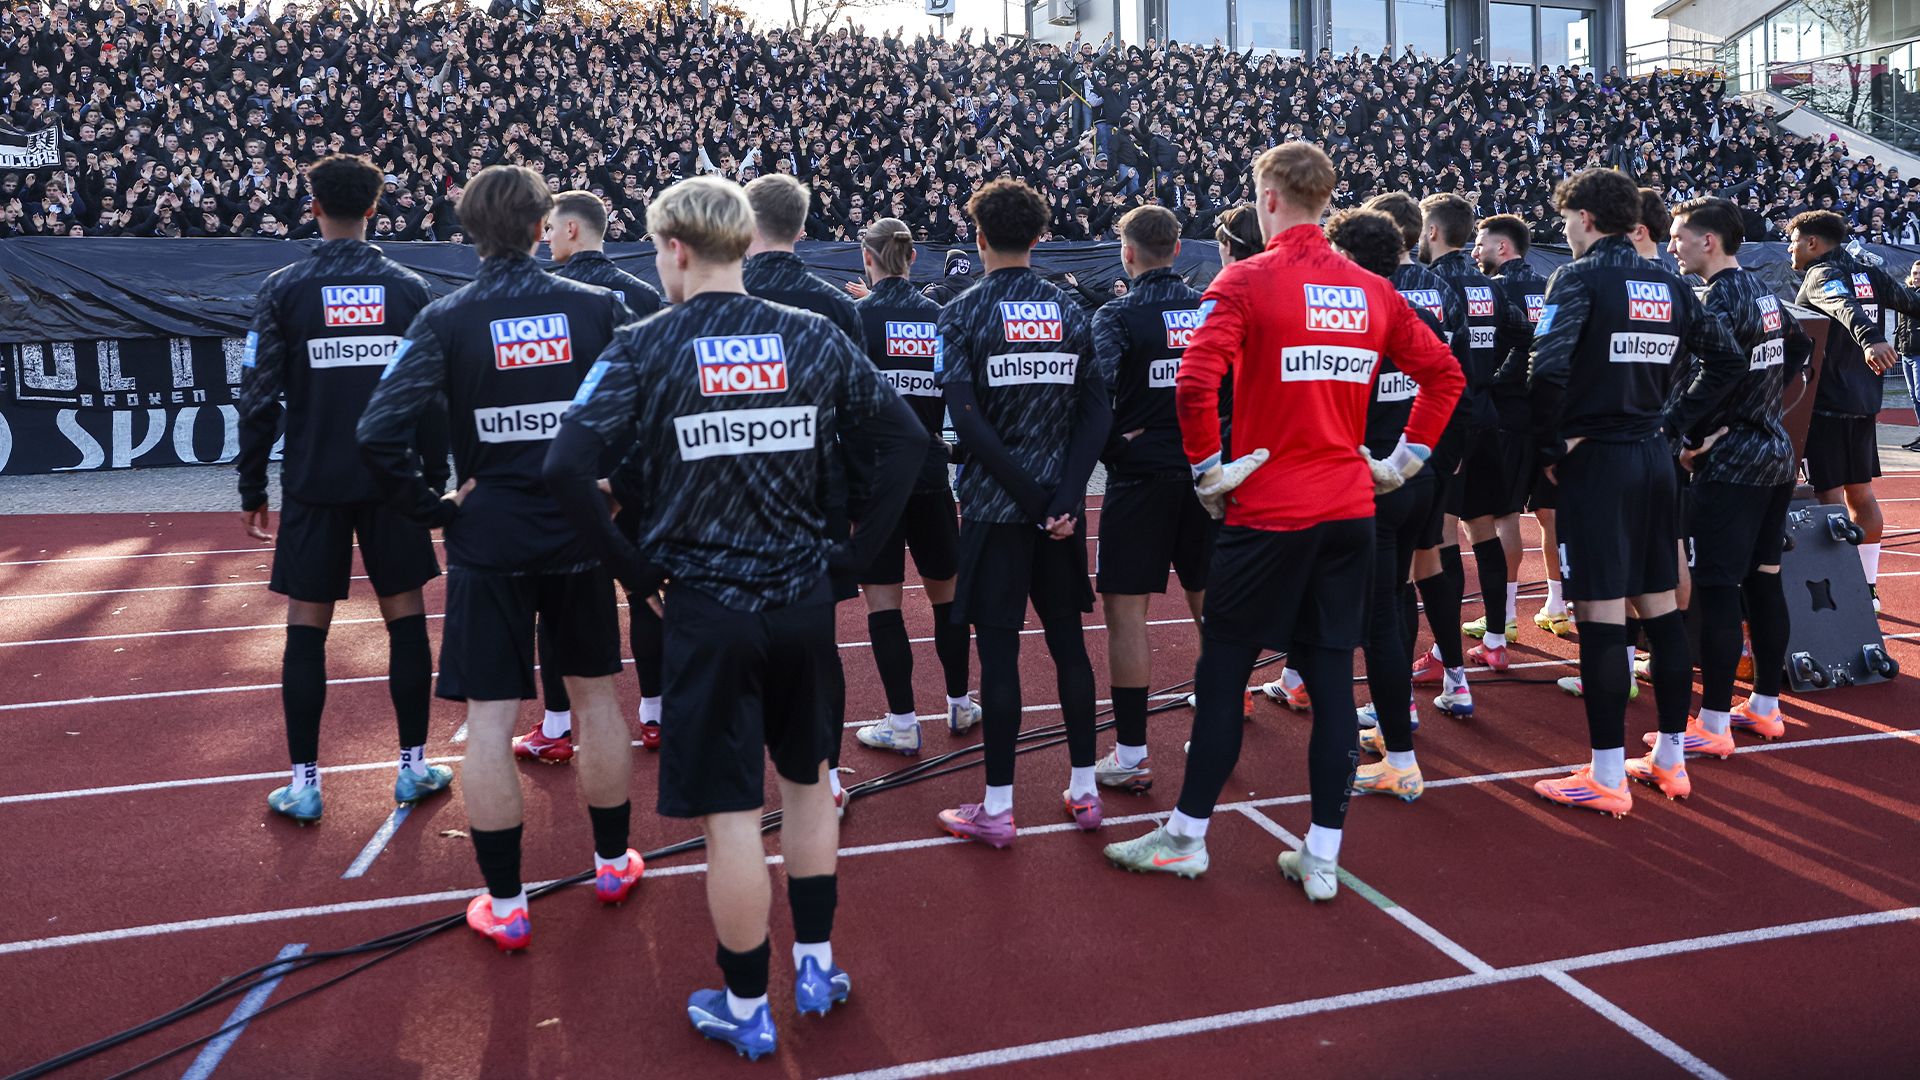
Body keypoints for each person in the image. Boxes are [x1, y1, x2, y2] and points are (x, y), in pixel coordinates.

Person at [543, 175, 924, 1060]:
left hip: (706, 610)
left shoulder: (644, 346)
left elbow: (566, 467)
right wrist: (858, 557)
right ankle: (819, 966)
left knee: (729, 819)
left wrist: (634, 574)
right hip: (800, 602)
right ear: (744, 244)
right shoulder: (816, 336)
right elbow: (904, 438)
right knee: (807, 785)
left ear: (675, 249)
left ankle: (748, 1005)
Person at [1103, 142, 1462, 898]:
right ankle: (1322, 855)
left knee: (1226, 665)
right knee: (1333, 676)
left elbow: (1196, 380)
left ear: (1268, 197)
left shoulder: (1247, 278)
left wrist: (1207, 469)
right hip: (1349, 509)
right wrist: (1401, 462)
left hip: (1270, 510)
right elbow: (1443, 374)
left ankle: (1188, 837)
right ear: (1326, 199)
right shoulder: (1372, 289)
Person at [356, 165, 640, 951]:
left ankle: (508, 906)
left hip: (490, 536)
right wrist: (618, 488)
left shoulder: (448, 318)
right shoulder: (598, 306)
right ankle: (613, 864)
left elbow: (378, 430)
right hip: (578, 530)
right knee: (597, 700)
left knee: (489, 717)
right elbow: (644, 408)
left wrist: (436, 509)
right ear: (542, 223)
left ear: (468, 229)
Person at [235, 152, 449, 824]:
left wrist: (250, 487)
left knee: (307, 626)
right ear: (375, 209)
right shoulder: (412, 289)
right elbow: (434, 400)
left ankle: (304, 783)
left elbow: (258, 397)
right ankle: (413, 767)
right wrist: (432, 486)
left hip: (314, 481)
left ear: (314, 207)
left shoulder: (283, 289)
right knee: (406, 619)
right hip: (393, 482)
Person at [1526, 168, 1744, 818]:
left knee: (1599, 615)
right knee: (1660, 609)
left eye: (1566, 221)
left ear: (1587, 219)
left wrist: (1548, 452)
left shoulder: (1580, 277)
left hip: (1601, 461)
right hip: (1655, 458)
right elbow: (1728, 360)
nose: (1564, 233)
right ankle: (1671, 762)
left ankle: (1605, 776)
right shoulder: (1673, 283)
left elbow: (1546, 371)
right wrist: (1675, 425)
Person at [933, 178, 1112, 847]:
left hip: (993, 509)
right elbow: (1096, 411)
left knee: (1000, 654)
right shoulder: (1070, 311)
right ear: (1039, 238)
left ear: (978, 237)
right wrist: (1063, 499)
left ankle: (999, 808)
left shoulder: (961, 312)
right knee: (1069, 646)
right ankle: (1086, 790)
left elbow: (967, 421)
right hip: (1059, 511)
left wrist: (1032, 500)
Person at [1653, 196, 1812, 780]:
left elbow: (1713, 371)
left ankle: (1714, 724)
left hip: (1734, 463)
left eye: (1679, 237)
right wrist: (1768, 402)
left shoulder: (1719, 298)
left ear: (1709, 242)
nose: (1673, 247)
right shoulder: (1766, 292)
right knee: (1765, 580)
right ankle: (1765, 707)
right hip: (1775, 457)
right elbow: (1798, 348)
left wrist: (1685, 431)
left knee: (1718, 591)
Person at [512, 188, 668, 762]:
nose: (545, 237)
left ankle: (555, 728)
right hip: (630, 475)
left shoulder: (545, 298)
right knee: (646, 591)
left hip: (571, 478)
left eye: (552, 228)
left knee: (558, 604)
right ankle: (657, 718)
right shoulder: (644, 294)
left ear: (573, 231)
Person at [742, 173, 869, 812]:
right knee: (817, 645)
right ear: (802, 223)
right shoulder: (838, 305)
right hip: (815, 494)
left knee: (733, 642)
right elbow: (862, 416)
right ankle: (825, 776)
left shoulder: (716, 297)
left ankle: (741, 789)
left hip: (729, 499)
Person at [1084, 204, 1217, 795]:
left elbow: (1095, 398)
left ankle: (1133, 754)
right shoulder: (1210, 310)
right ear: (1179, 250)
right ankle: (1217, 731)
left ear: (1128, 252)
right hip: (1206, 473)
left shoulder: (1117, 314)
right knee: (1210, 602)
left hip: (1140, 480)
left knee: (1126, 612)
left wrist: (1120, 445)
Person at [1324, 206, 1455, 801]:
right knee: (1396, 597)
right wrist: (1414, 455)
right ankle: (1395, 716)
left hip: (1369, 480)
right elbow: (1450, 377)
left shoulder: (1354, 314)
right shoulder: (1412, 306)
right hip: (1412, 476)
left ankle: (1398, 752)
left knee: (1370, 615)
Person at [848, 217, 981, 755]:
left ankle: (903, 722)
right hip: (928, 471)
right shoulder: (939, 316)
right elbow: (962, 396)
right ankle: (958, 702)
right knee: (946, 597)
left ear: (868, 259)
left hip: (873, 478)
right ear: (912, 260)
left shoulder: (855, 316)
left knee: (883, 604)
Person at [1361, 191, 1476, 720]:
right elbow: (1461, 375)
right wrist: (1446, 449)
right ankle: (1456, 679)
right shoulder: (1443, 290)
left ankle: (1398, 701)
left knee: (1390, 586)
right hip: (1430, 450)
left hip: (1381, 458)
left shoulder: (1367, 294)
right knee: (1428, 563)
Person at [1790, 209, 1920, 615]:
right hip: (1864, 403)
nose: (1789, 248)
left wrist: (1870, 339)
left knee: (1829, 499)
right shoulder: (1870, 273)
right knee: (1860, 493)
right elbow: (1913, 303)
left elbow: (1840, 302)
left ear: (1812, 243)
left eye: (1792, 239)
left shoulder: (1820, 275)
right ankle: (1866, 588)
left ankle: (1843, 591)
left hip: (1825, 405)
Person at [1421, 193, 1517, 671]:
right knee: (1481, 528)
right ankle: (1496, 639)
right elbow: (1526, 337)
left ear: (1433, 232)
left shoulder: (1432, 285)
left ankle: (1446, 655)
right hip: (1486, 415)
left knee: (1442, 537)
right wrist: (1493, 378)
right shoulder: (1489, 284)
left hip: (1449, 421)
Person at [1474, 213, 1555, 638]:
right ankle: (1557, 604)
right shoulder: (1547, 285)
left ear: (1502, 247)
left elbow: (1507, 353)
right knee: (1547, 512)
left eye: (1481, 243)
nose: (1475, 251)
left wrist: (1488, 383)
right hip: (1547, 413)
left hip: (1508, 415)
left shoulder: (1493, 290)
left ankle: (1501, 617)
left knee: (1502, 515)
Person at [1898, 263, 1920, 452]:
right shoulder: (1906, 292)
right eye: (1914, 273)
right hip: (1906, 352)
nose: (1916, 276)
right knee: (1914, 397)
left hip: (1919, 353)